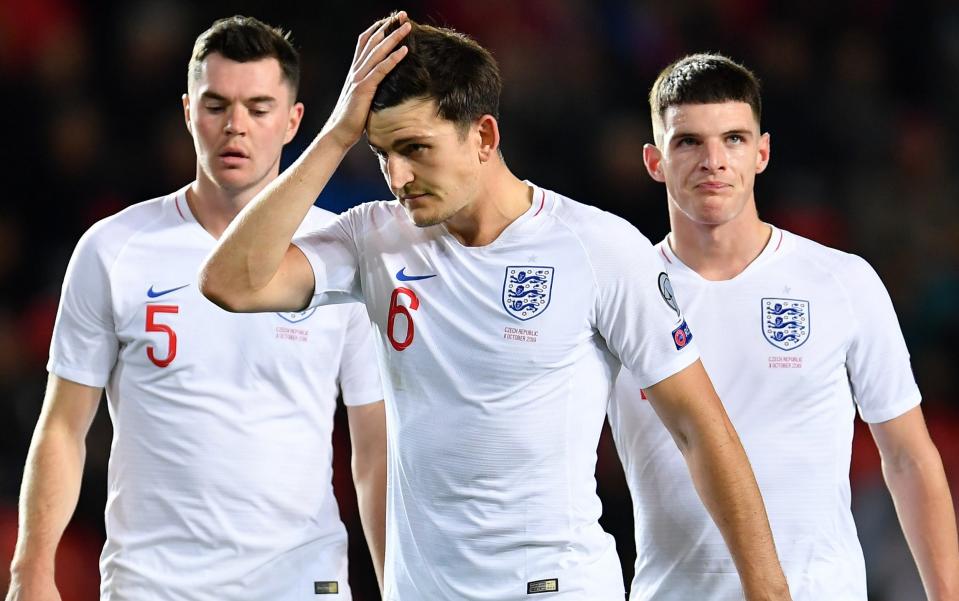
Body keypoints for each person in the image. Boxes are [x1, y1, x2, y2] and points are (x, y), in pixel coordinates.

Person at [199, 14, 792, 601]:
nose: (397, 177)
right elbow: (231, 282)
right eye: (381, 153)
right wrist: (335, 136)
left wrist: (769, 594)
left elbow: (701, 429)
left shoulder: (594, 248)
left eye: (415, 148)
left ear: (483, 136)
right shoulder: (373, 240)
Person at [5, 16, 386, 601]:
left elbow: (375, 446)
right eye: (217, 105)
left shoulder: (338, 254)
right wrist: (30, 570)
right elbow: (62, 425)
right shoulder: (114, 248)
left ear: (294, 122)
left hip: (300, 581)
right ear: (188, 113)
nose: (236, 126)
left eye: (259, 108)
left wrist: (396, 582)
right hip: (153, 584)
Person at [609, 53, 959, 600]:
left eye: (734, 139)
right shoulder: (618, 297)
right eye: (688, 142)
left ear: (762, 152)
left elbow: (909, 457)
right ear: (654, 160)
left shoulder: (840, 281)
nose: (713, 161)